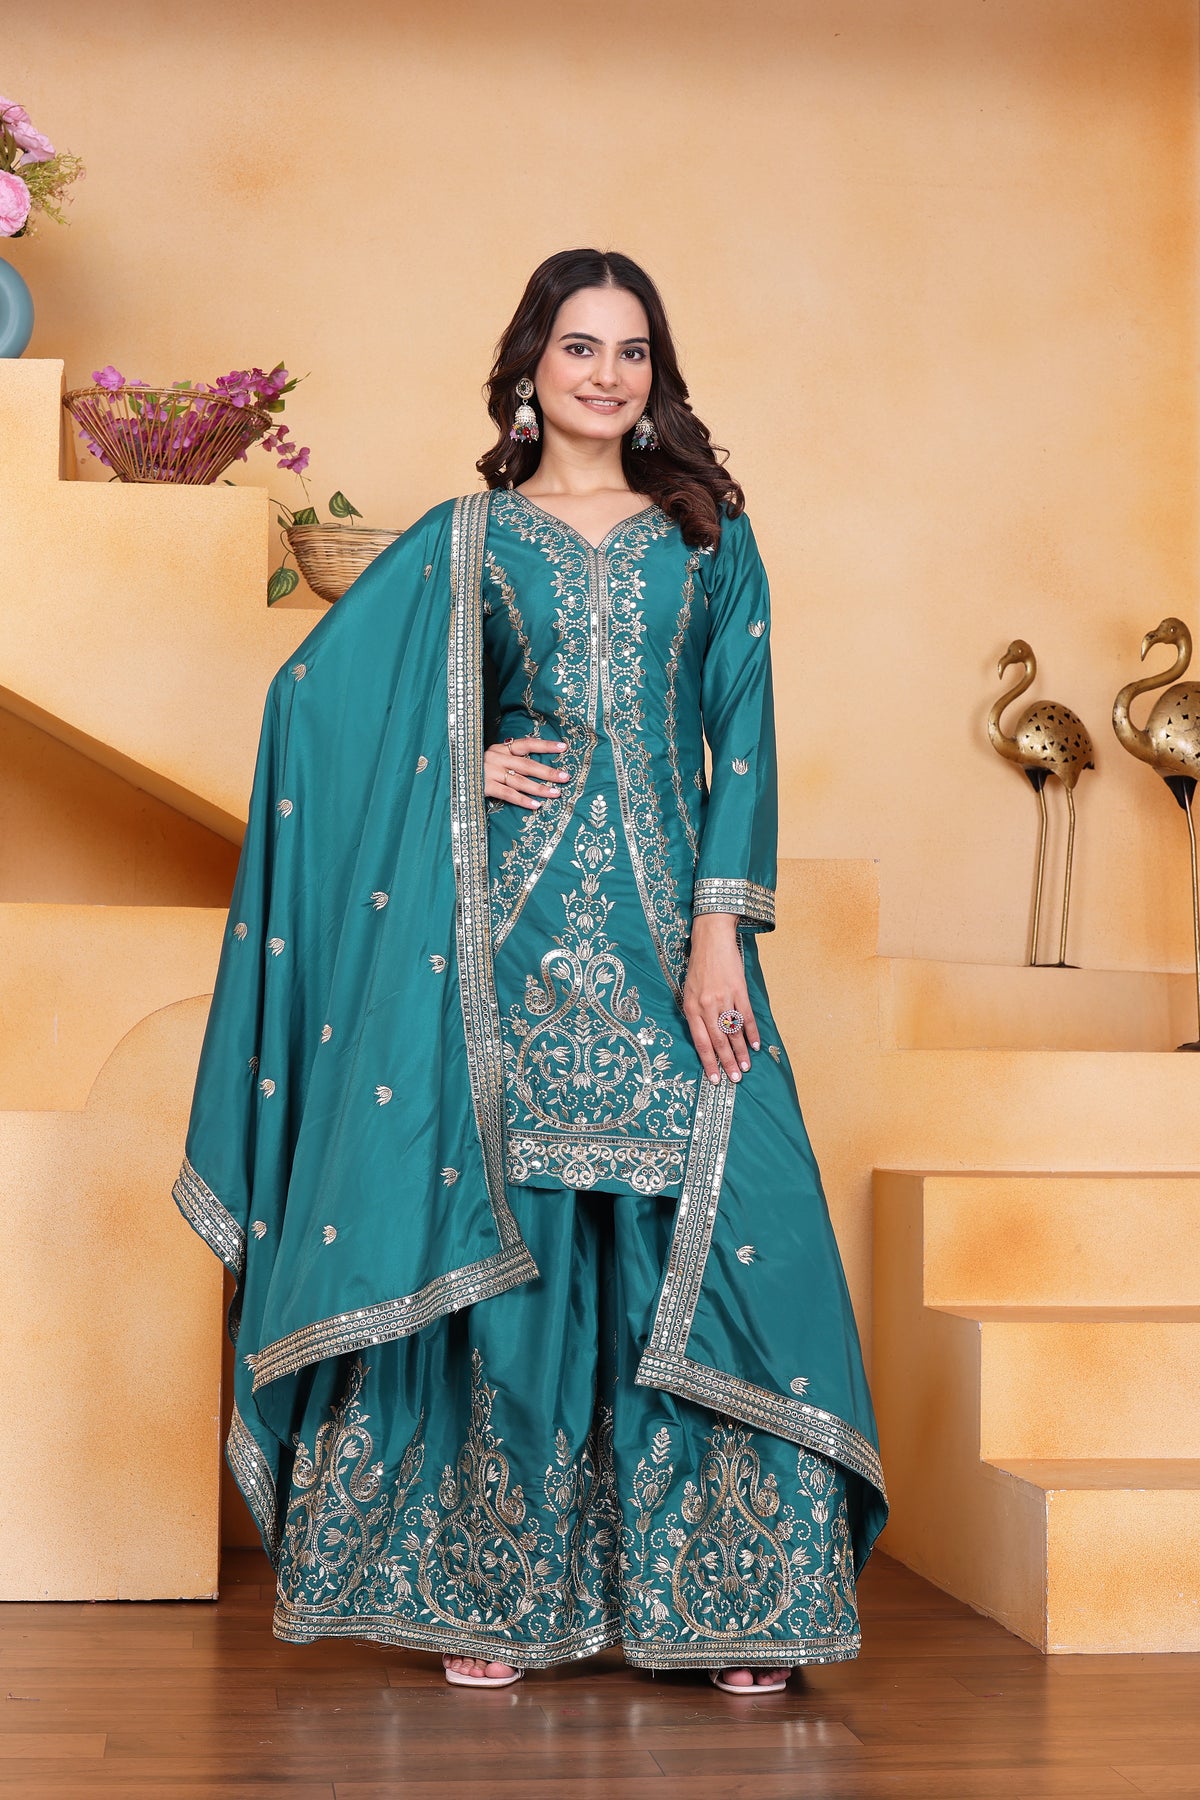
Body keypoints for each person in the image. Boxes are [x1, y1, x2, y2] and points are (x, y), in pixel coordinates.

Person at [173, 248, 886, 1694]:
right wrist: (463, 758)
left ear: (656, 377)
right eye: (580, 346)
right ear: (530, 364)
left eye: (632, 351)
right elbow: (312, 701)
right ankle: (481, 1591)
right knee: (512, 1229)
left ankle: (729, 1602)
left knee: (725, 1224)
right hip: (503, 945)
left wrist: (715, 939)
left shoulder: (711, 538)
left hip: (667, 940)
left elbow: (738, 744)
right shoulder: (468, 537)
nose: (606, 373)